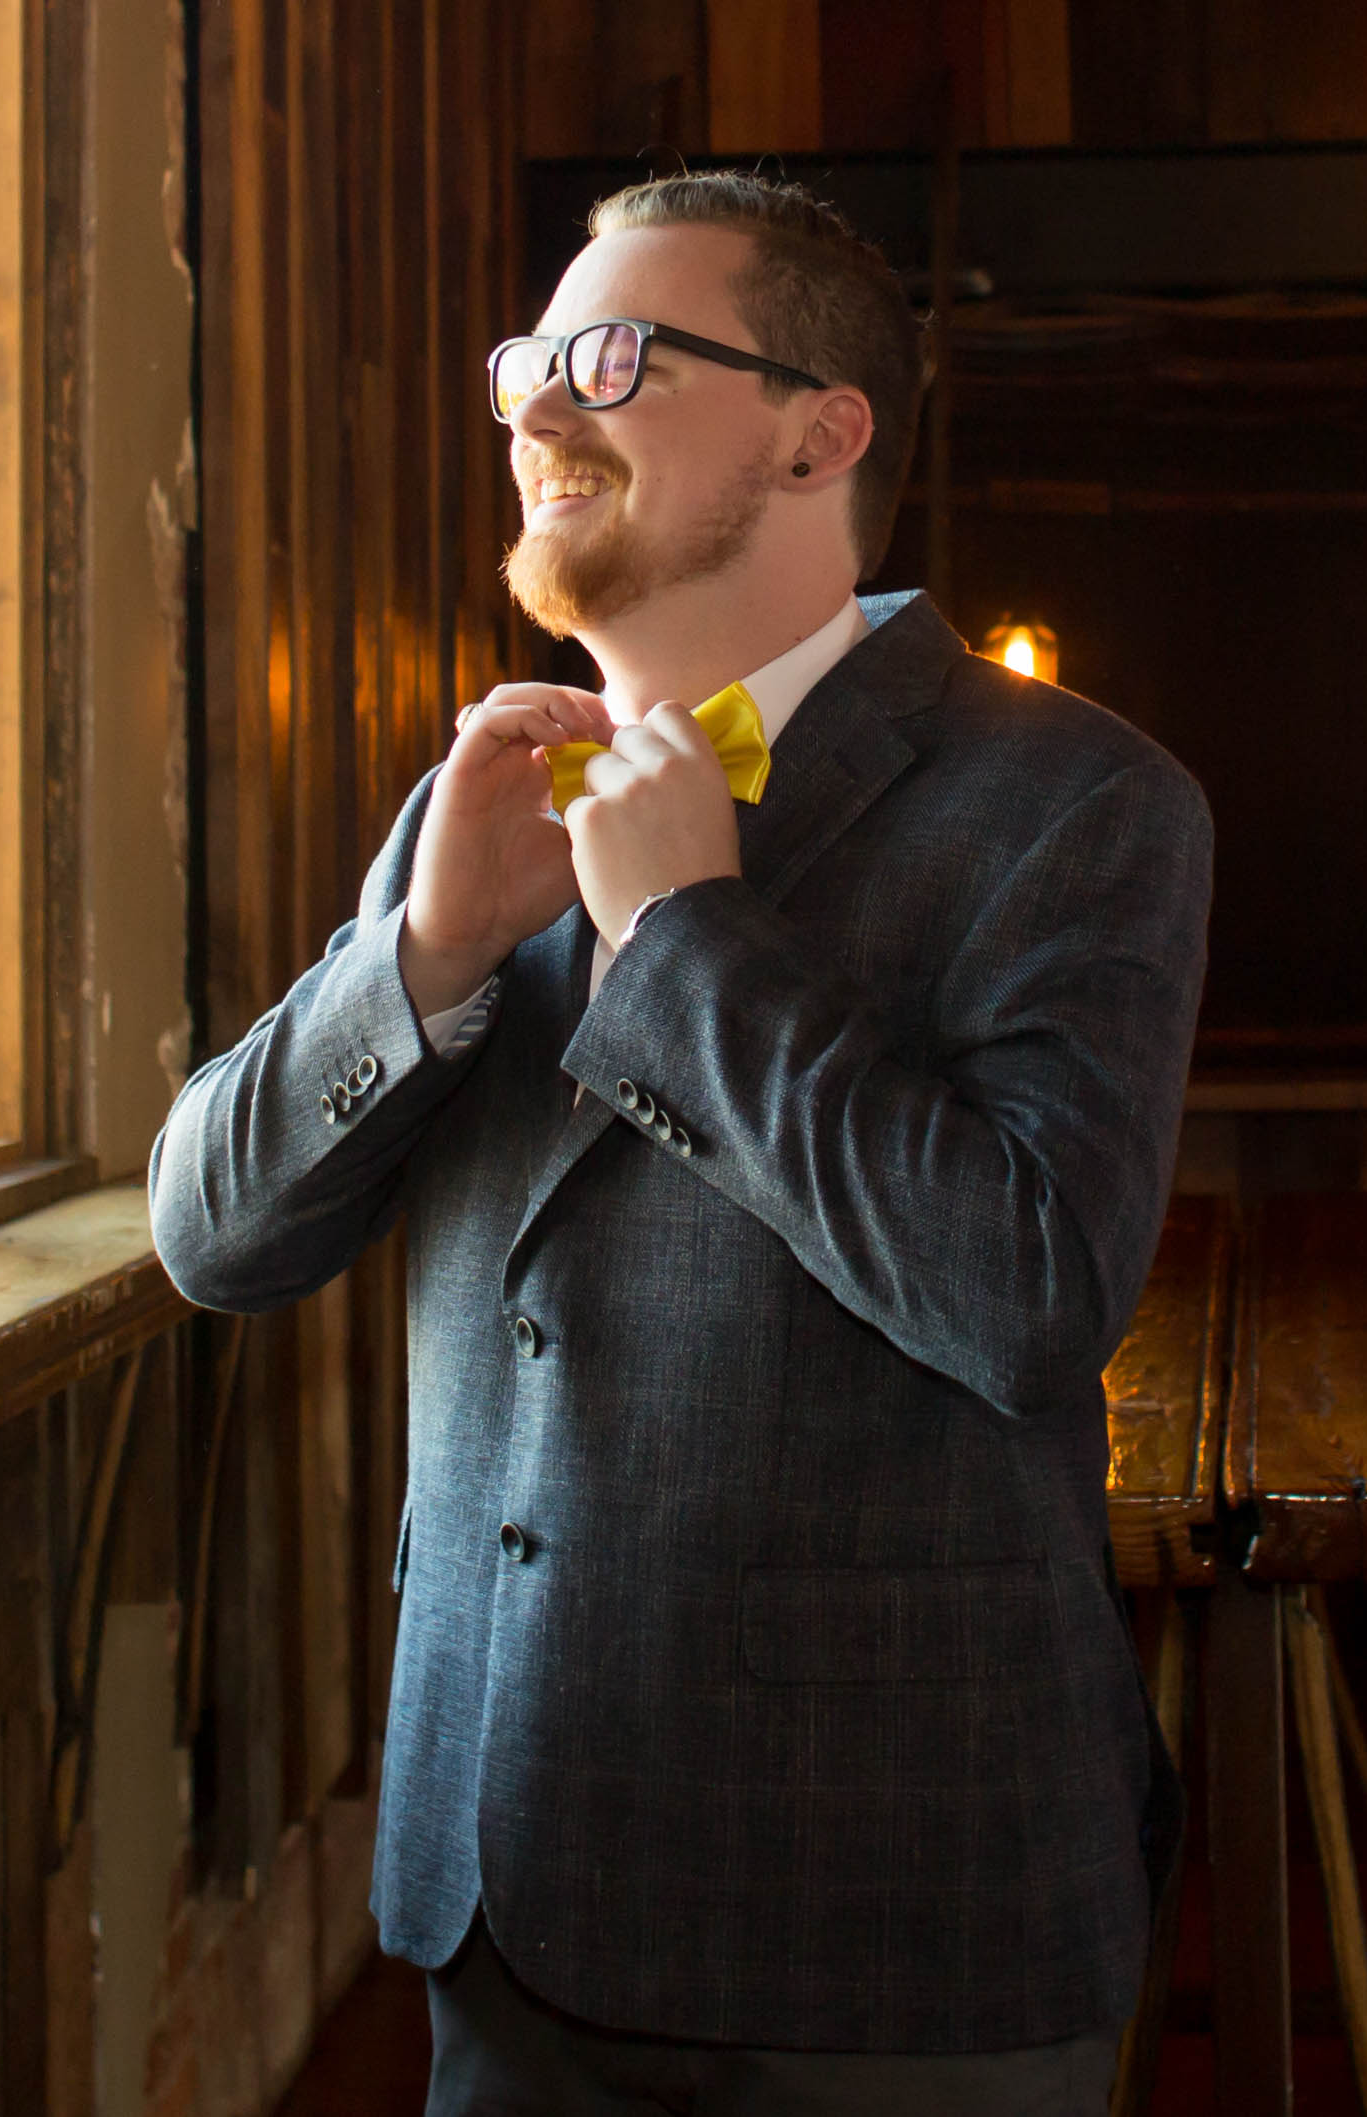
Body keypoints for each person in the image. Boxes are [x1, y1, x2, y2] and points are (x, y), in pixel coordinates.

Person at [150, 172, 1212, 2116]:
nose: (542, 405)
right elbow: (210, 1237)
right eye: (529, 364)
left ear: (820, 432)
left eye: (616, 355)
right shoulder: (477, 808)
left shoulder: (1082, 803)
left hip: (893, 1927)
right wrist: (423, 956)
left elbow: (1025, 1295)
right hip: (503, 1897)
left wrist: (686, 939)